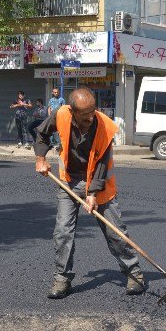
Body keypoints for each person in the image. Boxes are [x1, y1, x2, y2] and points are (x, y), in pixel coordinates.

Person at [33, 87, 145, 299]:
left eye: (93, 111)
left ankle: (135, 273)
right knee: (63, 231)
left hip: (99, 183)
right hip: (69, 180)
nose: (91, 117)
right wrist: (41, 158)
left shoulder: (104, 126)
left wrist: (92, 194)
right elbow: (41, 133)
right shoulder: (61, 114)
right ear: (73, 111)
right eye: (85, 115)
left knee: (114, 231)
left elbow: (102, 164)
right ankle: (62, 278)